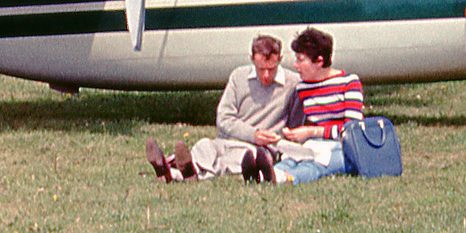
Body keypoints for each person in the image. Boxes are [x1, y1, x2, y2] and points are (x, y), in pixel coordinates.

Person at [144, 34, 299, 183]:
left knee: (239, 158)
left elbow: (294, 127)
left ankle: (179, 174)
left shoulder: (292, 83)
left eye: (271, 69)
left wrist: (275, 140)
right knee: (204, 146)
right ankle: (177, 172)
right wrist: (253, 134)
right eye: (260, 68)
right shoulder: (239, 77)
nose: (265, 75)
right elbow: (224, 118)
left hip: (257, 149)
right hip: (227, 140)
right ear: (252, 59)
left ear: (280, 59)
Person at [270, 27, 364, 185]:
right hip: (314, 145)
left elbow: (351, 130)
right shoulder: (302, 88)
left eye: (300, 60)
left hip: (345, 147)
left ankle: (288, 178)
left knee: (317, 163)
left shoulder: (349, 83)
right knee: (293, 158)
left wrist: (312, 132)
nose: (295, 65)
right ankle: (267, 173)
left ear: (319, 61)